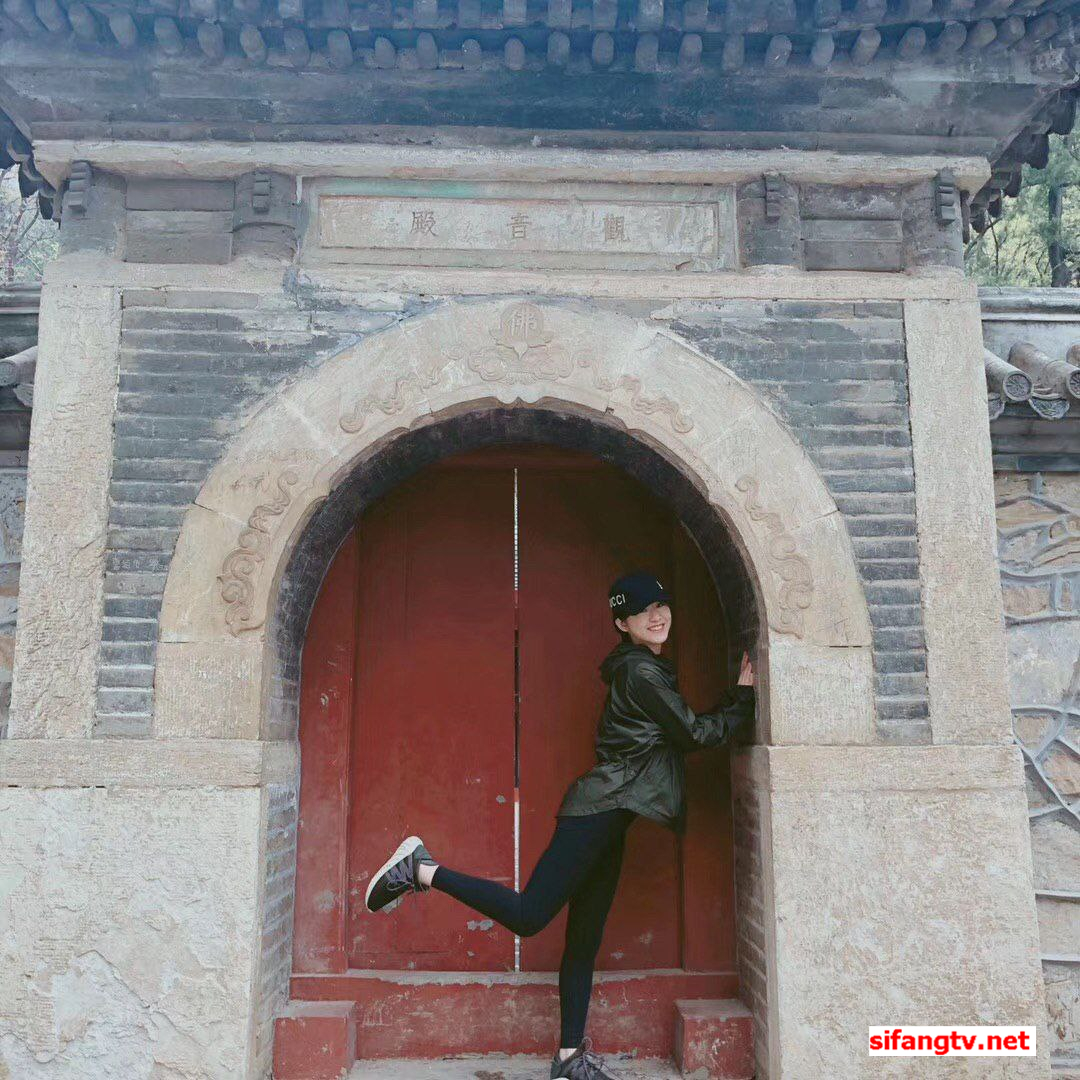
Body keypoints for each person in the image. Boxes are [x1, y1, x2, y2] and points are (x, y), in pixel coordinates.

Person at [364, 569, 756, 1079]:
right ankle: (420, 869)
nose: (656, 616)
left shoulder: (643, 669)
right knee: (530, 915)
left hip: (613, 816)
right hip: (597, 812)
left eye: (660, 606)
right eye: (641, 611)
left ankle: (570, 1057)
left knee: (584, 940)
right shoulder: (641, 673)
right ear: (623, 623)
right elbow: (694, 733)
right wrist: (741, 697)